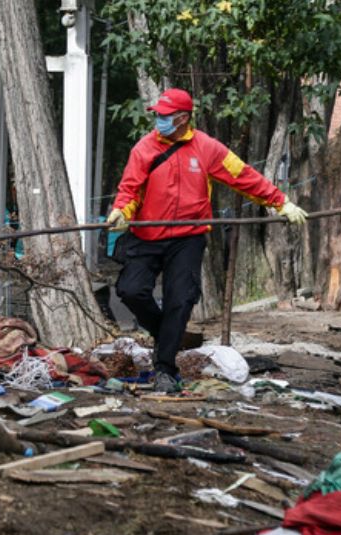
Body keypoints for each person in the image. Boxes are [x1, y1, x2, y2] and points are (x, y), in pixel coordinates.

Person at [107, 88, 307, 393]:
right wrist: (122, 211)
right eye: (157, 115)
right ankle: (167, 335)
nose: (158, 121)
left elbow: (244, 176)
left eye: (165, 116)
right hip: (146, 235)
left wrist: (280, 202)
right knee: (130, 290)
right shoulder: (144, 149)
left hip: (188, 237)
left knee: (182, 299)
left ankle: (165, 369)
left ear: (184, 118)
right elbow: (130, 188)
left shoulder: (208, 149)